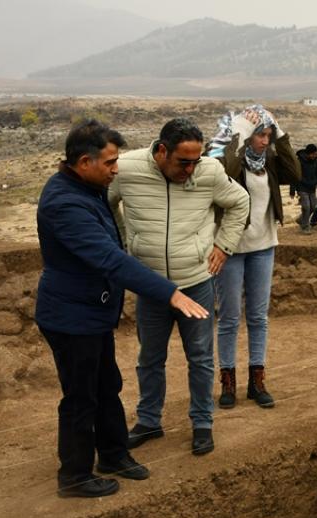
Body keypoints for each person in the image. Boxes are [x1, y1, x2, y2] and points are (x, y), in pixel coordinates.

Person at [35, 119, 210, 498]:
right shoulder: (64, 203)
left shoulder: (87, 187)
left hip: (91, 313)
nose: (117, 169)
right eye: (110, 162)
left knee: (106, 385)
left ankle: (113, 454)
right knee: (81, 396)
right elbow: (110, 259)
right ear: (85, 162)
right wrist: (170, 293)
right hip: (70, 316)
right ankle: (75, 476)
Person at [110, 118, 249, 456]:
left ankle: (202, 422)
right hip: (151, 285)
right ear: (161, 151)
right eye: (183, 162)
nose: (190, 169)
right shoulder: (127, 169)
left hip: (196, 283)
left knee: (200, 358)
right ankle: (148, 420)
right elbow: (106, 202)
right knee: (149, 358)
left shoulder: (209, 171)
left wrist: (224, 246)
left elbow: (239, 201)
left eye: (195, 161)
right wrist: (124, 242)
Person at [213, 105, 302, 410]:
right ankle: (228, 381)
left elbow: (295, 173)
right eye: (260, 134)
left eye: (268, 135)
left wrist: (281, 133)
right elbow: (225, 172)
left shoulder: (270, 161)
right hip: (231, 248)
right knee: (229, 317)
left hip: (264, 246)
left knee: (258, 317)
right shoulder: (231, 160)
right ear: (247, 135)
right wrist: (238, 133)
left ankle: (257, 381)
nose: (265, 140)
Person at [292, 143, 317, 235]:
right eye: (313, 154)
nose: (315, 156)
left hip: (312, 187)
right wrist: (292, 190)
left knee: (313, 207)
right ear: (308, 153)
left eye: (316, 154)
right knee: (306, 207)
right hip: (302, 187)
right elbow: (294, 175)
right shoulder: (299, 162)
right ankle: (305, 227)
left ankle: (301, 219)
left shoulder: (315, 162)